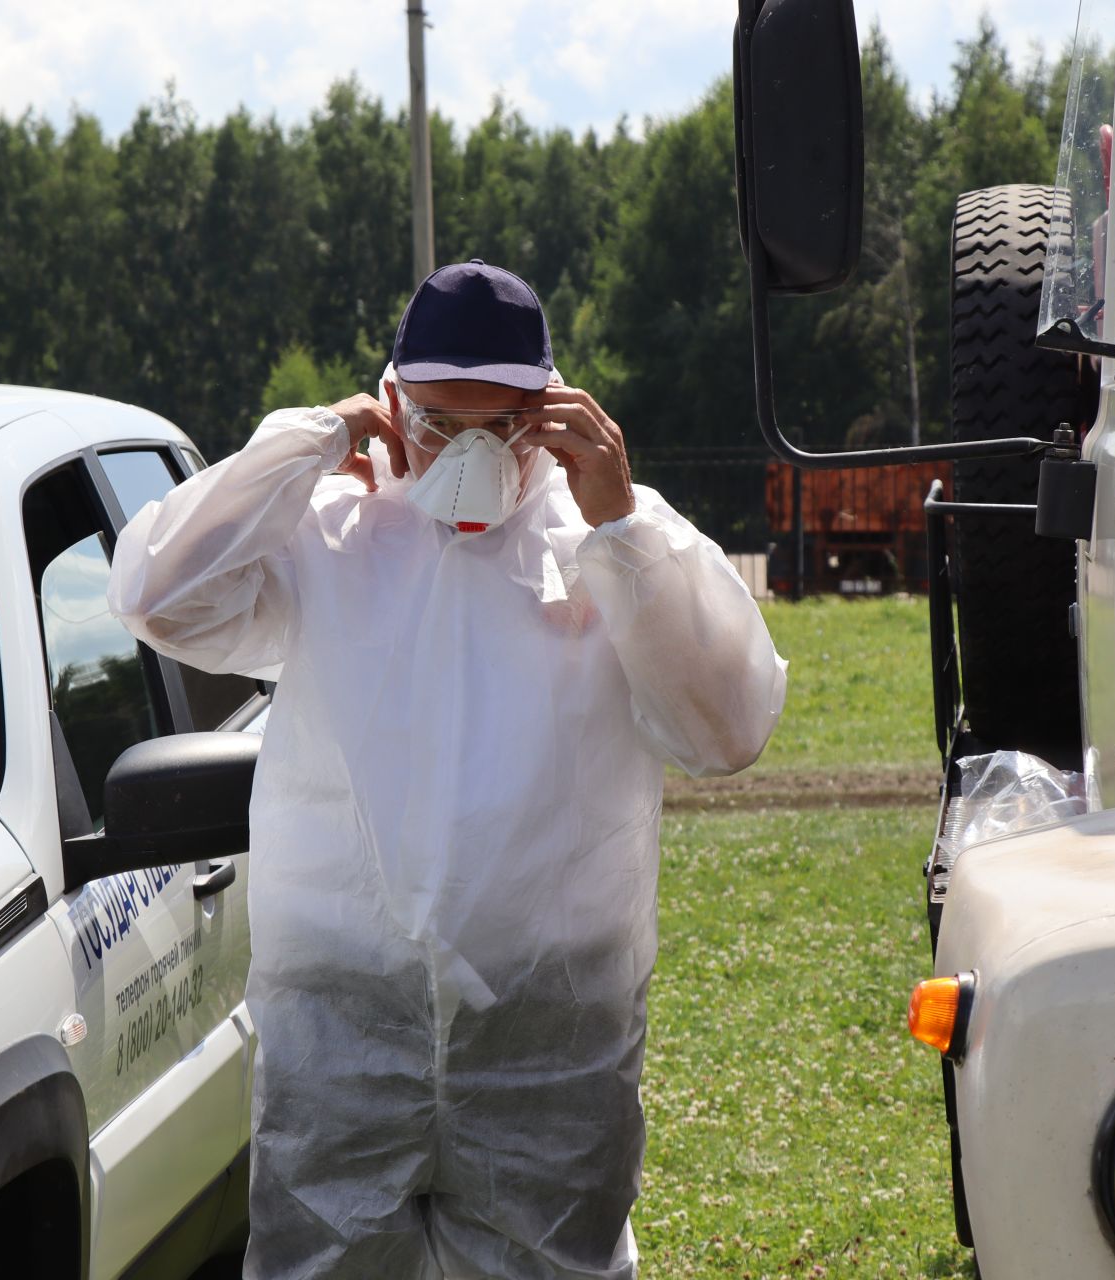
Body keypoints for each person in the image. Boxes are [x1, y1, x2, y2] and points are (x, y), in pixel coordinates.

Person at [108, 259, 787, 1280]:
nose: (466, 454)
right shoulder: (333, 529)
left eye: (500, 427)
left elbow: (726, 727)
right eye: (435, 422)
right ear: (390, 402)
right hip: (339, 1019)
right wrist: (306, 443)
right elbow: (159, 594)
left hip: (548, 1035)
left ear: (554, 414)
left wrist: (621, 527)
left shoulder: (611, 539)